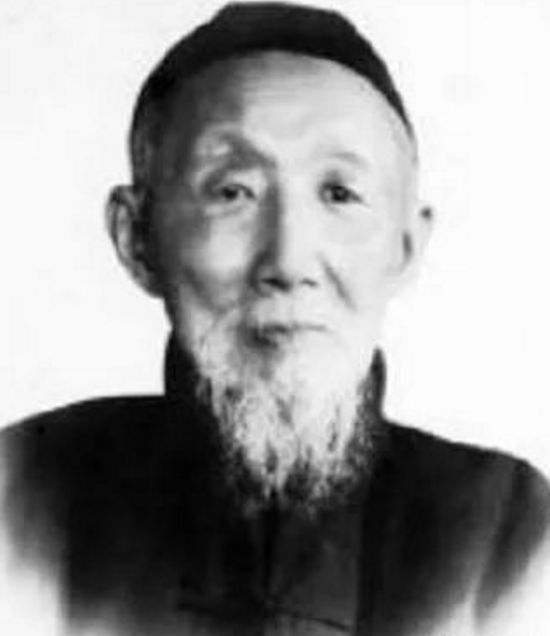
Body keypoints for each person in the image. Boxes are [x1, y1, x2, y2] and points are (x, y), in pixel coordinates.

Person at [1, 3, 549, 635]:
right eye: (232, 192)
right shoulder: (21, 500)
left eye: (340, 194)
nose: (289, 262)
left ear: (405, 248)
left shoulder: (508, 533)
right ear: (136, 238)